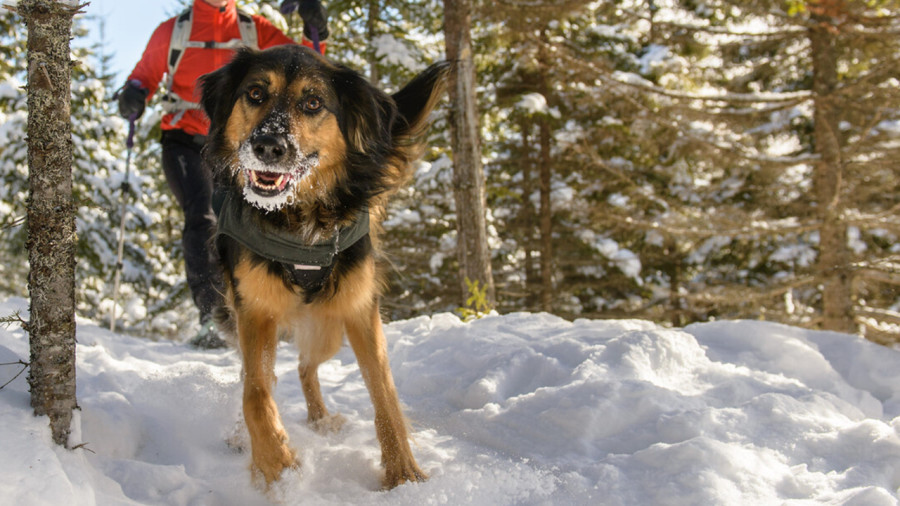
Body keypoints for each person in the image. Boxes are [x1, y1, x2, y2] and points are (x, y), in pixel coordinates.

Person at [117, 0, 329, 348]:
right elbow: (144, 75)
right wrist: (134, 93)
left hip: (239, 147)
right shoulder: (174, 32)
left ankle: (275, 312)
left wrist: (313, 25)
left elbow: (307, 64)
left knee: (259, 219)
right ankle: (211, 319)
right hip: (185, 140)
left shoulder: (253, 30)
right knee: (202, 216)